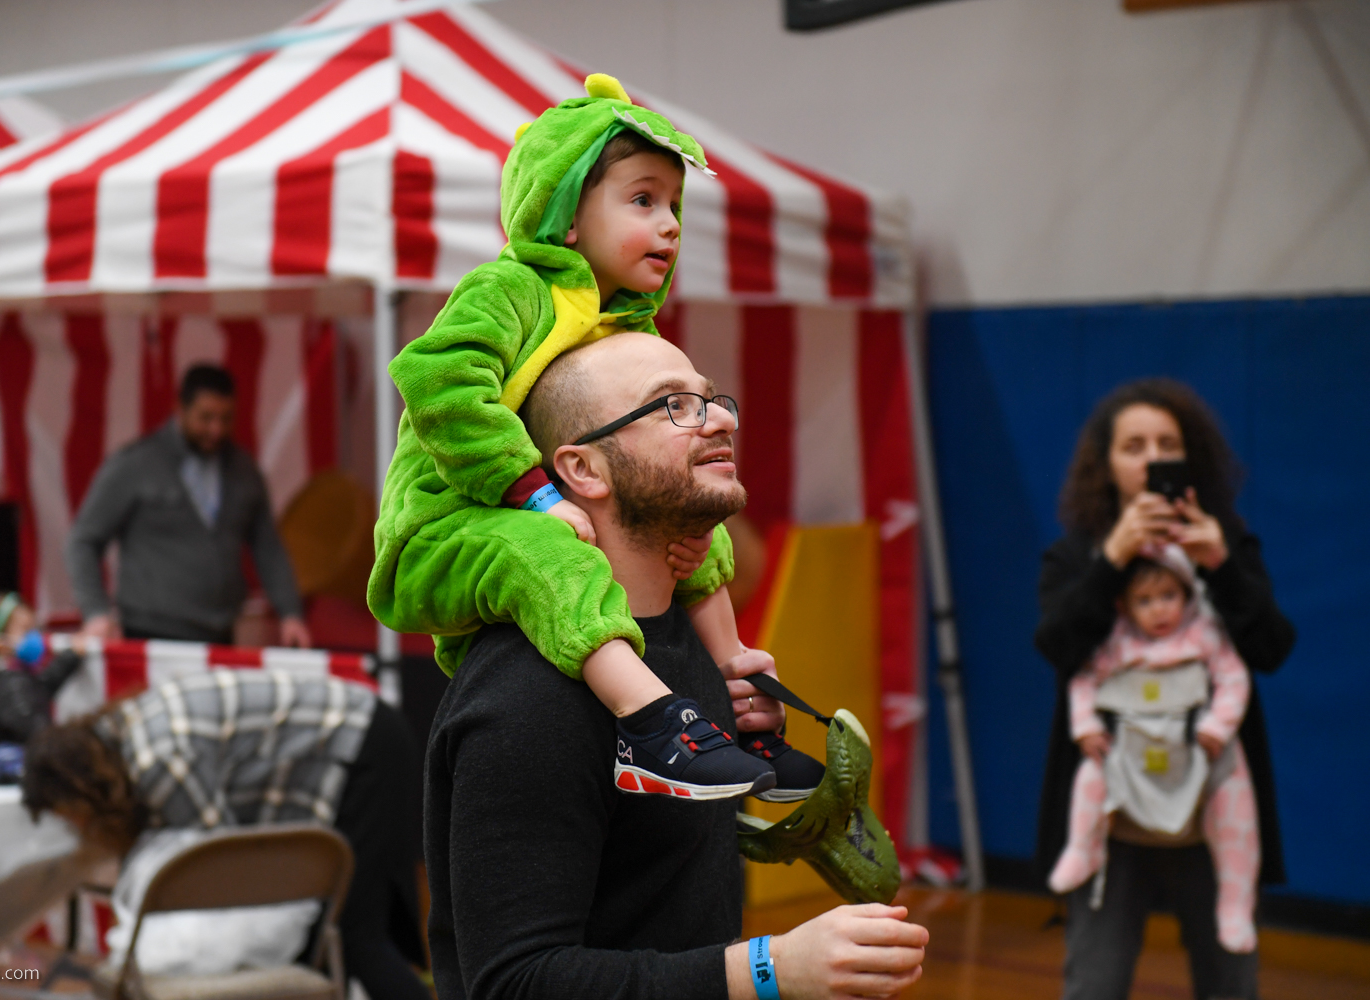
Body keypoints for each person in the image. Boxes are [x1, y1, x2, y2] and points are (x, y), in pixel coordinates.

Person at [425, 330, 928, 1000]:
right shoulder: (526, 695)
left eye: (711, 400)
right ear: (584, 470)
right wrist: (770, 968)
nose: (719, 420)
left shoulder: (683, 644)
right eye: (672, 405)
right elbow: (514, 983)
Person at [372, 73, 820, 801]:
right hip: (445, 523)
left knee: (697, 522)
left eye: (674, 205)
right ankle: (649, 726)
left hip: (545, 507)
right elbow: (437, 380)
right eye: (643, 200)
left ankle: (736, 692)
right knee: (545, 553)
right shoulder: (510, 289)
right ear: (565, 216)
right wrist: (533, 492)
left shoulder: (624, 321)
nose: (669, 224)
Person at [1034, 378, 1295, 1000]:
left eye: (1166, 444)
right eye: (1134, 446)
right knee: (1094, 983)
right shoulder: (1077, 554)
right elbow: (1058, 648)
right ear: (1106, 465)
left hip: (1210, 808)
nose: (1152, 458)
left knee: (1229, 981)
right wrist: (1113, 561)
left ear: (1189, 457)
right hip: (1113, 814)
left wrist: (1220, 566)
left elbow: (1272, 648)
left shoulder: (1224, 542)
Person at [22, 669, 429, 1000]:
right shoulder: (125, 730)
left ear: (85, 789)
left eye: (74, 817)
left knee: (356, 937)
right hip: (360, 735)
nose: (80, 830)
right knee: (321, 942)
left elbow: (222, 866)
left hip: (362, 746)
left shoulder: (159, 762)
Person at [1047, 547, 1258, 954]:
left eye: (1168, 596)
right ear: (1123, 606)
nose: (1159, 609)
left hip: (1196, 753)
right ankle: (1082, 848)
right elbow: (1083, 681)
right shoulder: (1116, 642)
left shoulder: (1204, 634)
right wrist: (1086, 727)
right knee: (1090, 776)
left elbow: (1234, 678)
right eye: (1144, 601)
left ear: (1188, 594)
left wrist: (1217, 726)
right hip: (1128, 754)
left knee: (1235, 795)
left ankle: (1235, 902)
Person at [67, 364, 311, 647]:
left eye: (226, 418)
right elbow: (83, 540)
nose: (216, 429)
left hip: (220, 634)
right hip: (151, 634)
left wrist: (290, 613)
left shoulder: (243, 470)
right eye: (205, 418)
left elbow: (269, 548)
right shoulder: (137, 464)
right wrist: (95, 612)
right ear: (179, 409)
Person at [0, 591, 83, 748]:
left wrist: (70, 657)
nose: (36, 637)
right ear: (0, 643)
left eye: (36, 628)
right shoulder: (11, 687)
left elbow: (37, 690)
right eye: (26, 630)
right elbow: (46, 743)